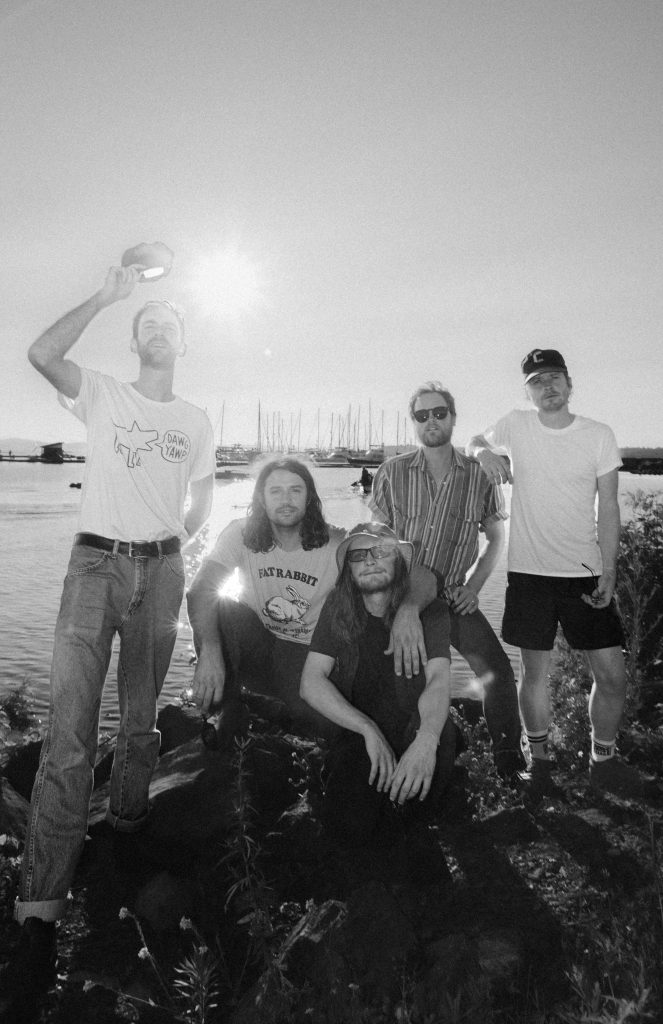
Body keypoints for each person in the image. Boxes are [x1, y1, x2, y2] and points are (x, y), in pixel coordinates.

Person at [4, 263, 215, 1012]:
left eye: (168, 324)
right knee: (69, 733)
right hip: (94, 567)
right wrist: (105, 295)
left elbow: (202, 494)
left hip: (161, 572)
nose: (157, 331)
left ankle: (125, 826)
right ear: (135, 341)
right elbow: (40, 354)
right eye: (146, 324)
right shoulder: (102, 394)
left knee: (141, 719)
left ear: (182, 343)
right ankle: (39, 917)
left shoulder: (195, 419)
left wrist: (176, 545)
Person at [466, 348, 659, 802]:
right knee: (534, 675)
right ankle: (541, 765)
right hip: (529, 573)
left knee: (612, 676)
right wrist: (483, 454)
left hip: (584, 574)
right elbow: (473, 440)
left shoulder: (598, 434)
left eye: (554, 377)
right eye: (537, 381)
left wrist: (609, 570)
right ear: (527, 392)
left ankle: (602, 762)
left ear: (570, 384)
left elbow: (608, 508)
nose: (547, 386)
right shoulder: (515, 424)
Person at [187, 456, 436, 737]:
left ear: (309, 499)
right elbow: (200, 588)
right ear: (261, 500)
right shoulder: (239, 533)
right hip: (260, 642)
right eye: (275, 491)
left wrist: (409, 610)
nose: (286, 500)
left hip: (308, 654)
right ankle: (227, 709)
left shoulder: (336, 544)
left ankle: (278, 709)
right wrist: (210, 652)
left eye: (295, 490)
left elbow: (423, 576)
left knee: (321, 728)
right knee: (221, 608)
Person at [369, 381, 525, 781]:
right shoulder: (392, 472)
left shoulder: (478, 475)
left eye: (439, 413)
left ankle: (509, 765)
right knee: (395, 677)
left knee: (498, 672)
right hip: (401, 597)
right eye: (422, 415)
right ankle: (393, 756)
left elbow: (496, 539)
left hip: (452, 595)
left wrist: (473, 588)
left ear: (453, 418)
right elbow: (375, 540)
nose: (431, 421)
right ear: (413, 422)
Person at [300, 523, 458, 845]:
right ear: (349, 569)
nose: (370, 560)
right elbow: (311, 681)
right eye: (359, 555)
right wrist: (367, 729)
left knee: (417, 820)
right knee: (352, 825)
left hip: (418, 727)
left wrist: (427, 740)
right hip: (360, 732)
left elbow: (439, 680)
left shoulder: (431, 612)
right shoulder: (338, 607)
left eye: (382, 551)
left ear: (399, 561)